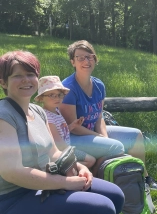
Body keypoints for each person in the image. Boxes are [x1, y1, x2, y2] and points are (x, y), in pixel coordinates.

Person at [0, 51, 124, 214]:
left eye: (31, 74)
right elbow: (12, 172)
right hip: (14, 197)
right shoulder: (4, 115)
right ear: (3, 83)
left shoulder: (38, 111)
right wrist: (64, 182)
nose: (26, 80)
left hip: (43, 184)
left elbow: (54, 152)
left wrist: (79, 167)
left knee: (116, 195)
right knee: (103, 207)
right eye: (17, 76)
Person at [59, 40, 157, 190]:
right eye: (80, 58)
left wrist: (104, 137)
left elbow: (99, 117)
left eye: (90, 57)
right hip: (73, 137)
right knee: (115, 147)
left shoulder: (99, 85)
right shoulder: (68, 88)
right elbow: (73, 128)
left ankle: (144, 180)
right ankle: (100, 184)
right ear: (72, 62)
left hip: (92, 132)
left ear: (95, 59)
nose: (86, 61)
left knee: (136, 136)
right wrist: (102, 139)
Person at [35, 75, 96, 168]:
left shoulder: (56, 111)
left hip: (66, 147)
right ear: (41, 98)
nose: (57, 98)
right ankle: (62, 169)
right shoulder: (48, 118)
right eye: (52, 95)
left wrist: (72, 126)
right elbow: (58, 143)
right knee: (91, 160)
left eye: (60, 95)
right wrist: (72, 152)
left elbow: (61, 131)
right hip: (61, 151)